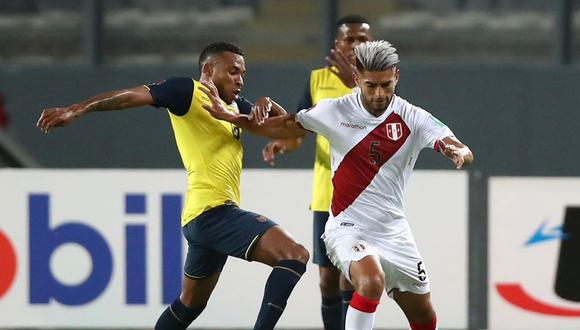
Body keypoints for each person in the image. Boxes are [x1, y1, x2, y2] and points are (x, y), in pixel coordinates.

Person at [201, 40, 474, 330]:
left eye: (386, 85)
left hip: (394, 231)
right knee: (371, 281)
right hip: (347, 228)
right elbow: (286, 125)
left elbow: (460, 148)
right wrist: (234, 117)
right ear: (356, 79)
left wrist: (456, 152)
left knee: (424, 315)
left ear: (397, 76)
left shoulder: (412, 117)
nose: (379, 94)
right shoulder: (335, 111)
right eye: (371, 86)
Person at [36, 41, 310, 330]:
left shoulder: (236, 108)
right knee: (295, 255)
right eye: (232, 72)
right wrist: (77, 109)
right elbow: (131, 96)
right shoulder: (187, 91)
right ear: (208, 69)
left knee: (189, 305)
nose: (239, 80)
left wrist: (271, 103)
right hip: (213, 212)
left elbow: (292, 137)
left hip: (200, 219)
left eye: (242, 74)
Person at [260, 14, 371, 330]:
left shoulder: (376, 81)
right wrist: (283, 143)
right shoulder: (316, 80)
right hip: (326, 193)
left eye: (362, 39)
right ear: (338, 44)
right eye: (349, 38)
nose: (355, 45)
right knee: (327, 279)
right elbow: (300, 131)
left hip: (362, 193)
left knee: (352, 276)